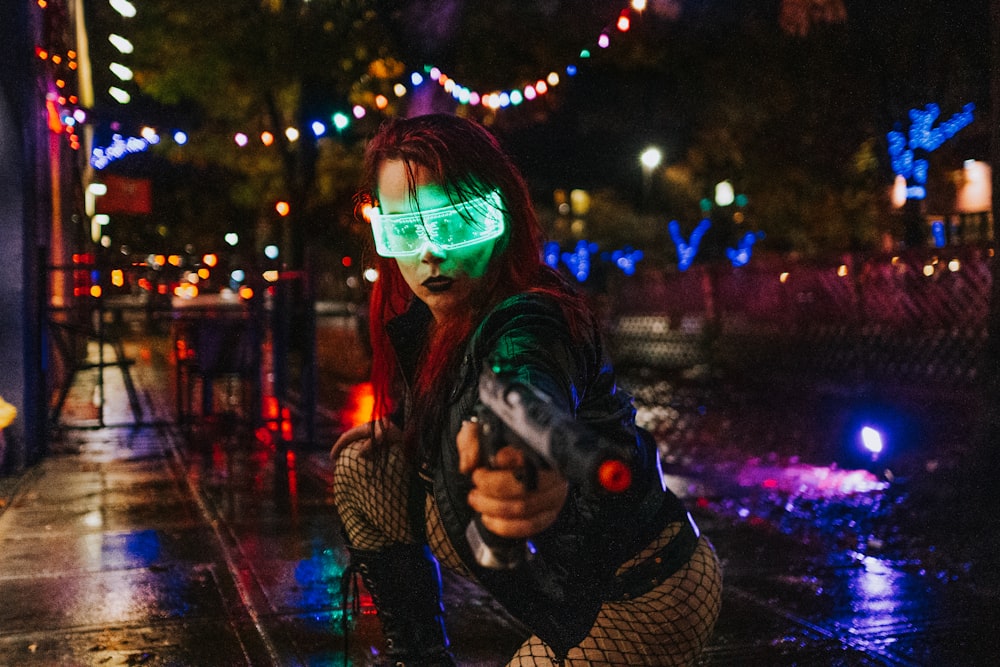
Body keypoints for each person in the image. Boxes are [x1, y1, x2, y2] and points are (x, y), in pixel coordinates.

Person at [331, 113, 722, 666]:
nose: (430, 253)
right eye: (404, 230)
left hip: (641, 598)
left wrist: (525, 462)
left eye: (455, 225)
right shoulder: (429, 320)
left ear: (501, 214)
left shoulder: (533, 315)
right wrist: (411, 436)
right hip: (549, 577)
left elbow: (524, 375)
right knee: (366, 467)